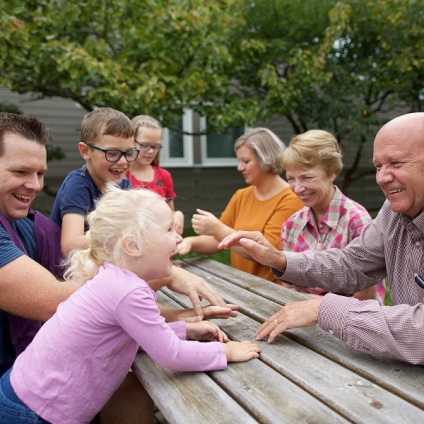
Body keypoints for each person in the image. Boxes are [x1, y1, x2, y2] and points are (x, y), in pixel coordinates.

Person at [0, 112, 241, 423]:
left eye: (41, 173)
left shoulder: (30, 222)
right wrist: (161, 273)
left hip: (42, 381)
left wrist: (173, 321)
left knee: (133, 386)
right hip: (27, 400)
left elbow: (102, 302)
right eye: (21, 171)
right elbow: (61, 301)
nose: (34, 185)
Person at [219, 112, 424, 365]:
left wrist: (322, 308)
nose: (381, 177)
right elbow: (353, 264)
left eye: (396, 163)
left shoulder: (357, 215)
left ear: (331, 173)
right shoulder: (392, 213)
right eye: (378, 166)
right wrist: (279, 259)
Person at [177, 127, 303, 283]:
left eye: (246, 161)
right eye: (239, 161)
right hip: (240, 286)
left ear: (266, 158)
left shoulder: (291, 200)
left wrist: (219, 229)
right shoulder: (242, 196)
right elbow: (218, 240)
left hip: (271, 292)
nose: (239, 167)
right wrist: (190, 242)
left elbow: (268, 255)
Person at [279, 129, 385, 303]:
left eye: (307, 177)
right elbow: (289, 287)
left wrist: (314, 304)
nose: (297, 188)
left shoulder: (357, 222)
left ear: (332, 173)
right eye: (291, 178)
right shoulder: (292, 226)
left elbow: (364, 301)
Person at [51, 107, 137, 254]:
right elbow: (70, 245)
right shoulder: (78, 185)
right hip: (70, 271)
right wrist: (118, 239)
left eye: (129, 153)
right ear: (85, 151)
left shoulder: (123, 185)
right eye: (112, 153)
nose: (123, 161)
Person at [126, 115, 185, 235]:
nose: (151, 151)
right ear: (131, 142)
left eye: (156, 146)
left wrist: (178, 215)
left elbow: (170, 215)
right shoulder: (120, 175)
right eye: (145, 145)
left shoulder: (164, 176)